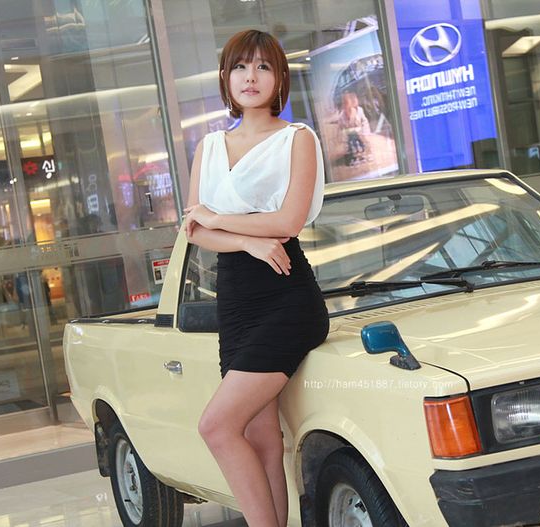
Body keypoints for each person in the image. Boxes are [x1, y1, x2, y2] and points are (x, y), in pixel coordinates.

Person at [182, 29, 329, 527]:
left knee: (217, 425)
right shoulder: (209, 145)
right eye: (240, 67)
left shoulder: (297, 138)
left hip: (286, 297)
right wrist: (247, 241)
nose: (251, 77)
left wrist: (218, 218)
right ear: (225, 77)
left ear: (279, 77)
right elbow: (193, 230)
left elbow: (288, 221)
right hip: (236, 301)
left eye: (263, 66)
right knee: (262, 438)